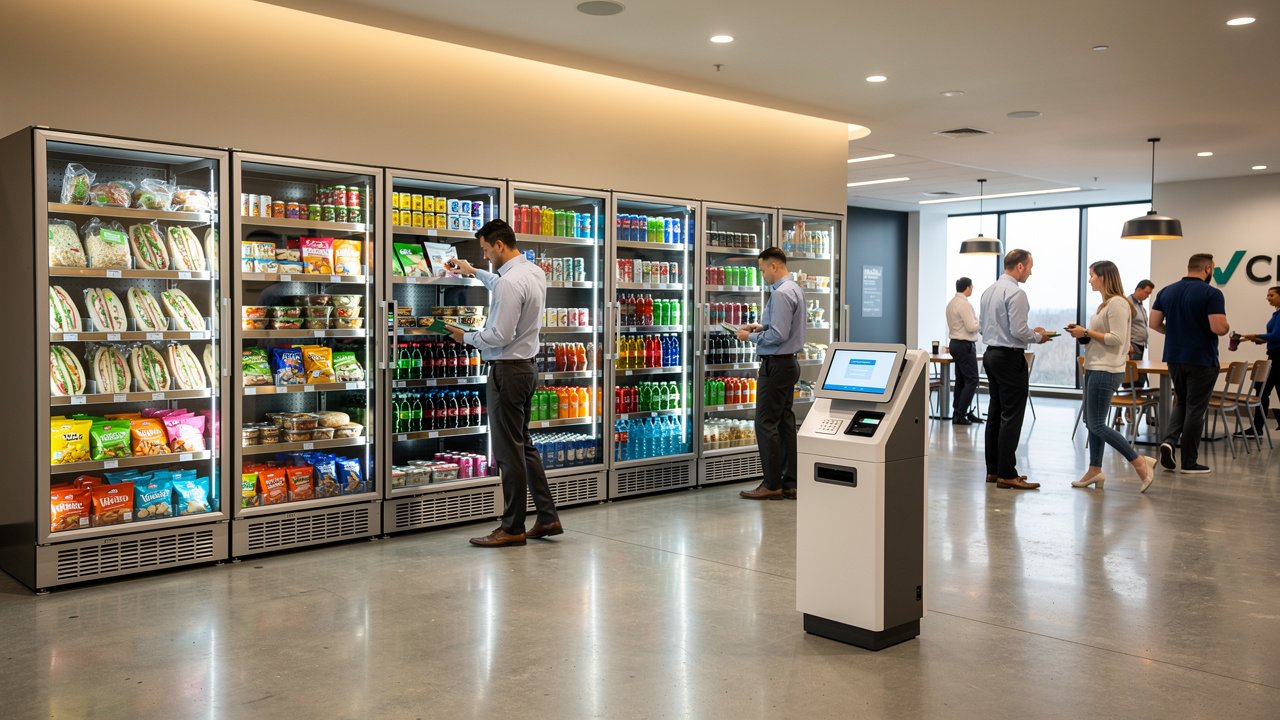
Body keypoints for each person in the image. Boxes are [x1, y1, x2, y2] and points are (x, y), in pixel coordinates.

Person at [446, 219, 561, 546]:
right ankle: (548, 518)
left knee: (509, 453)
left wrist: (465, 336)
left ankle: (512, 528)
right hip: (526, 369)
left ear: (499, 245)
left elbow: (499, 334)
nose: (485, 258)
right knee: (523, 446)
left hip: (506, 372)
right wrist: (473, 271)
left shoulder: (510, 283)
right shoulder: (533, 273)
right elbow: (501, 283)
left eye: (485, 251)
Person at [1065, 261, 1157, 492]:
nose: (1090, 280)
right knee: (1093, 422)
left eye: (1092, 276)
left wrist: (1086, 332)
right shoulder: (1106, 304)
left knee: (1095, 423)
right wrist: (1084, 335)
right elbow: (1104, 337)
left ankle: (1139, 461)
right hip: (1097, 366)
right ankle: (1095, 470)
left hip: (1106, 370)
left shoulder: (1117, 304)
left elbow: (1116, 339)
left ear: (1104, 277)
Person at [1149, 253, 1230, 475]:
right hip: (1201, 359)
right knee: (1196, 407)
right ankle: (1189, 461)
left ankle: (1169, 441)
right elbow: (1218, 327)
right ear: (1208, 268)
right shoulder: (1212, 293)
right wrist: (1226, 327)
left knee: (1182, 401)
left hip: (1174, 357)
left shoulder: (1166, 291)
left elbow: (1154, 323)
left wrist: (1175, 332)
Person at [736, 247, 806, 500]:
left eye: (763, 269)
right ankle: (790, 483)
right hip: (789, 364)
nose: (763, 274)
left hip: (775, 365)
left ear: (774, 266)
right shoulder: (794, 288)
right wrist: (761, 326)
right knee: (785, 421)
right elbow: (779, 327)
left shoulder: (780, 294)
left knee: (765, 423)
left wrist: (750, 336)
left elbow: (778, 335)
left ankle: (771, 484)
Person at [979, 249, 1052, 490]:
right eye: (1030, 266)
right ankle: (1007, 474)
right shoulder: (1016, 293)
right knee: (1012, 416)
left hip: (990, 355)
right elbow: (1020, 332)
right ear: (1020, 266)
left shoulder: (988, 291)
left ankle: (994, 471)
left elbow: (982, 328)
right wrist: (1039, 337)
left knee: (995, 412)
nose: (1031, 271)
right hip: (1009, 358)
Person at [1237, 285, 1280, 435]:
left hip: (1277, 358)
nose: (1268, 298)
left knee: (1261, 391)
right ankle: (1257, 428)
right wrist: (1258, 339)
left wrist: (1255, 335)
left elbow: (1276, 336)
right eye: (1267, 295)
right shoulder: (1276, 314)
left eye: (1271, 295)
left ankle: (1257, 428)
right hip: (1274, 356)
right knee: (1262, 391)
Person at [946, 277, 983, 425]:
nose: (972, 288)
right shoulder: (964, 305)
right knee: (972, 380)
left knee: (961, 380)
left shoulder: (951, 304)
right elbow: (971, 327)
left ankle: (959, 413)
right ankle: (961, 413)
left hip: (955, 344)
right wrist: (981, 322)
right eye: (972, 286)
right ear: (967, 287)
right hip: (964, 345)